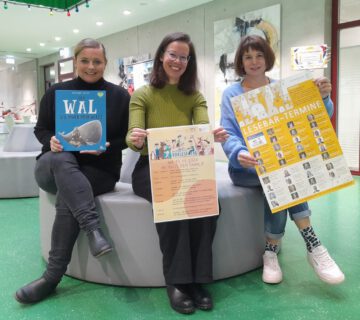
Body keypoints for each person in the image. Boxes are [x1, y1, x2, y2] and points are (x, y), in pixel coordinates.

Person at [220, 35, 344, 286]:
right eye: (248, 56)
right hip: (247, 168)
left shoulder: (280, 88)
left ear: (267, 58)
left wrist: (323, 97)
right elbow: (228, 132)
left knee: (280, 175)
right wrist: (237, 153)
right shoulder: (231, 94)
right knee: (281, 175)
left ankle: (271, 250)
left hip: (279, 163)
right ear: (240, 62)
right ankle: (312, 243)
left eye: (259, 55)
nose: (254, 61)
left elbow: (316, 116)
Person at [15, 38, 130, 304]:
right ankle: (93, 230)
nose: (91, 66)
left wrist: (109, 146)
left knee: (72, 191)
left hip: (99, 170)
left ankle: (51, 278)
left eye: (97, 61)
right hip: (52, 168)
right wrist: (51, 141)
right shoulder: (56, 93)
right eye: (85, 61)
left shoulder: (119, 96)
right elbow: (41, 129)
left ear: (105, 63)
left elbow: (127, 138)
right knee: (62, 158)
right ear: (75, 62)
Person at [126, 32, 228, 314]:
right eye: (173, 54)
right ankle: (177, 281)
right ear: (161, 55)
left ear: (189, 62)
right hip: (150, 167)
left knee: (209, 205)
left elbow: (201, 129)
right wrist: (134, 138)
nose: (178, 61)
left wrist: (211, 135)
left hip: (187, 165)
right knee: (174, 203)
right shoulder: (143, 95)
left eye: (184, 57)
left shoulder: (194, 96)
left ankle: (198, 279)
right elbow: (132, 137)